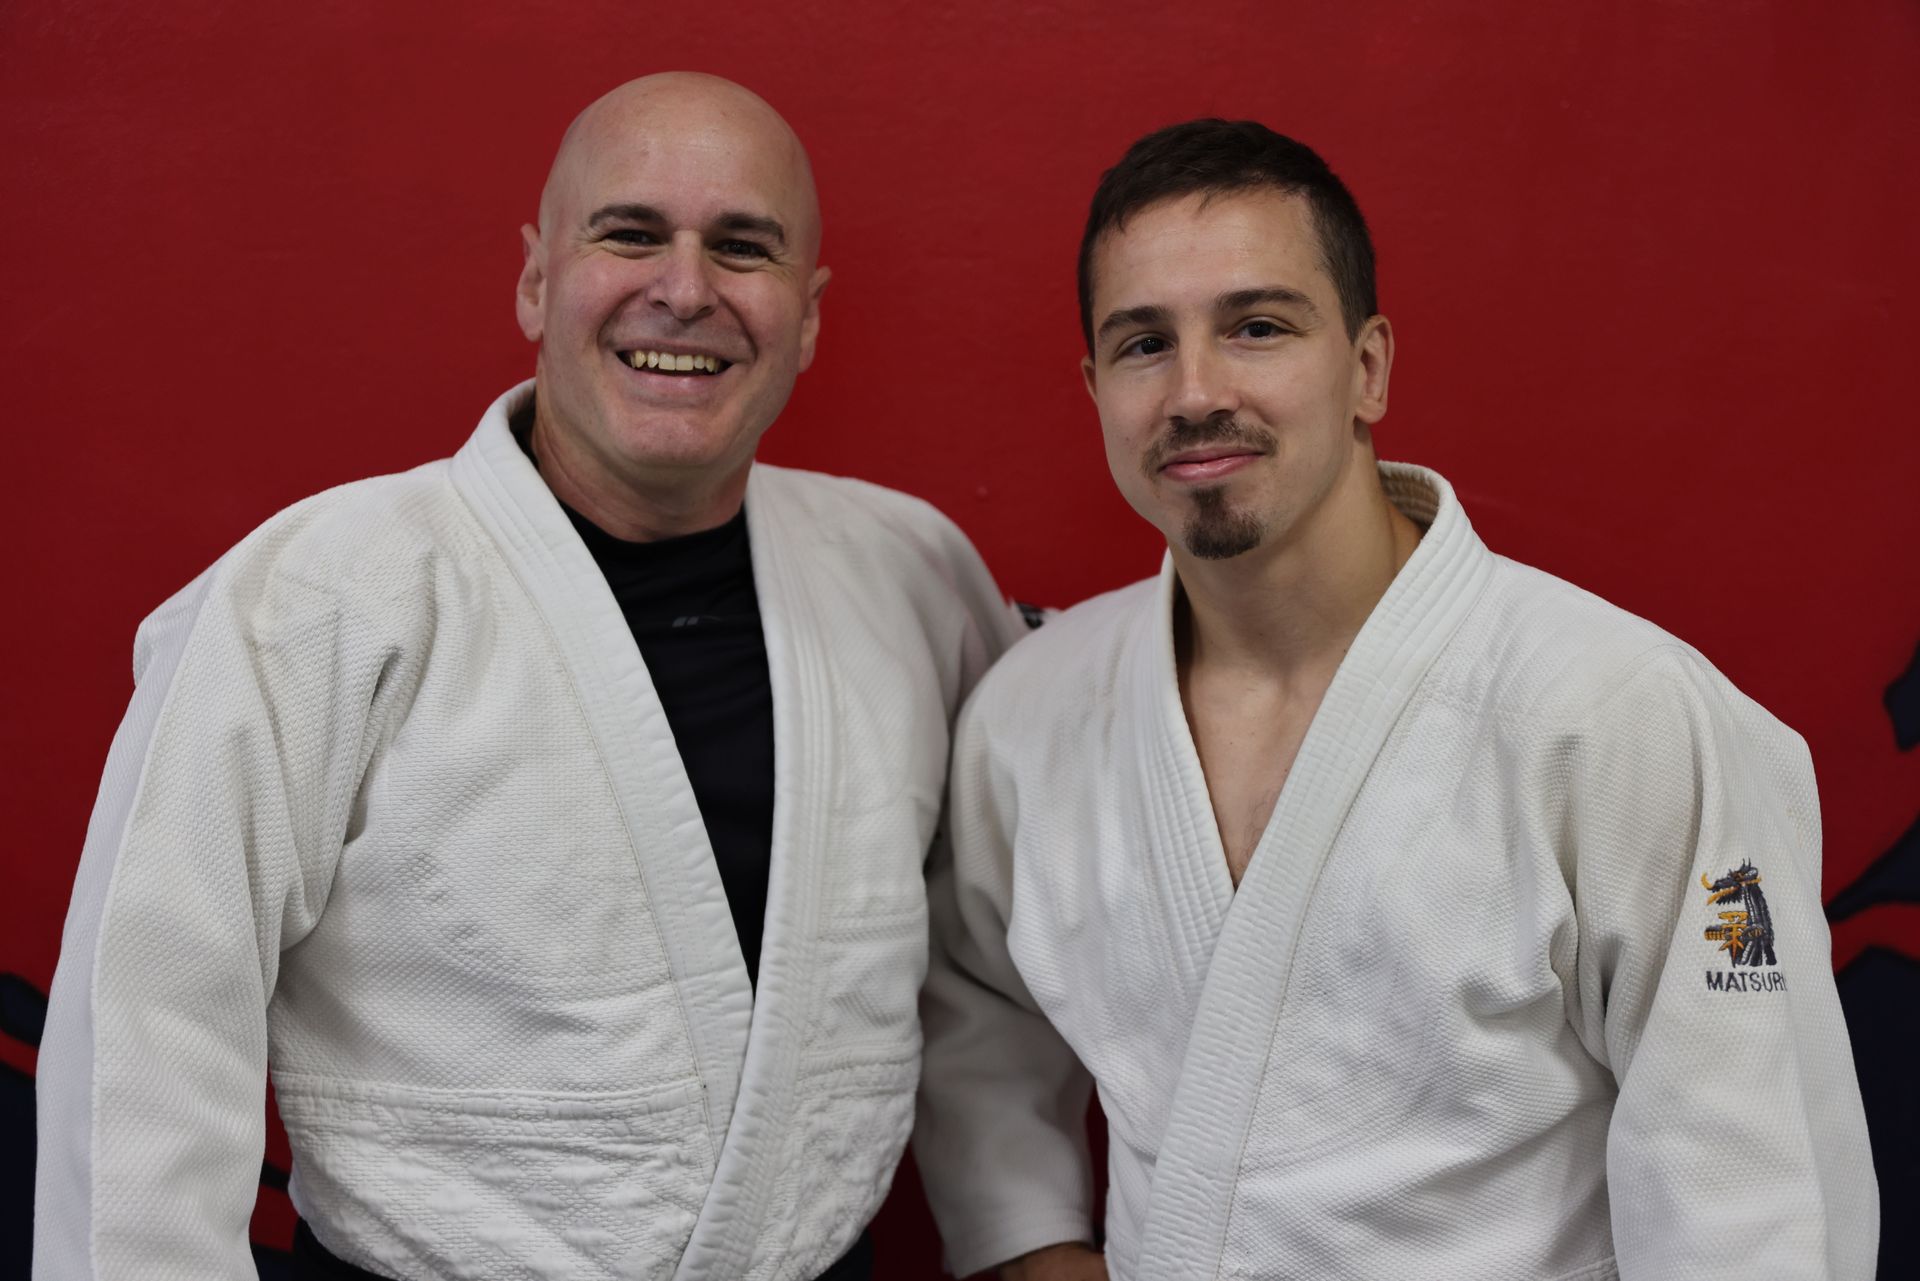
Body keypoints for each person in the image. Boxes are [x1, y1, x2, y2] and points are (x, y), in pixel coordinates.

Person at [37, 73, 1023, 1281]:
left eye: (743, 247)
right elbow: (146, 1030)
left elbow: (980, 962)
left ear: (809, 316)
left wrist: (1022, 1233)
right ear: (536, 280)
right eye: (630, 233)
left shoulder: (910, 575)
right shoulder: (318, 595)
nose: (685, 287)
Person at [913, 119, 1877, 1280]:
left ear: (1368, 367)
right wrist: (1033, 1243)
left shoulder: (1622, 716)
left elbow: (1753, 1191)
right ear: (1094, 387)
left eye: (1257, 327)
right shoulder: (1033, 716)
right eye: (1142, 345)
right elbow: (972, 1005)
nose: (1197, 391)